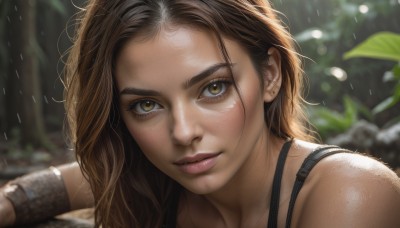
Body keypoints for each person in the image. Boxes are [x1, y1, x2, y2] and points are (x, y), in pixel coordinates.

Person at [1, 0, 400, 227]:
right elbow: (72, 182)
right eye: (146, 104)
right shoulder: (151, 183)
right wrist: (16, 201)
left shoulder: (351, 193)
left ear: (270, 74)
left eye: (213, 88)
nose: (184, 132)